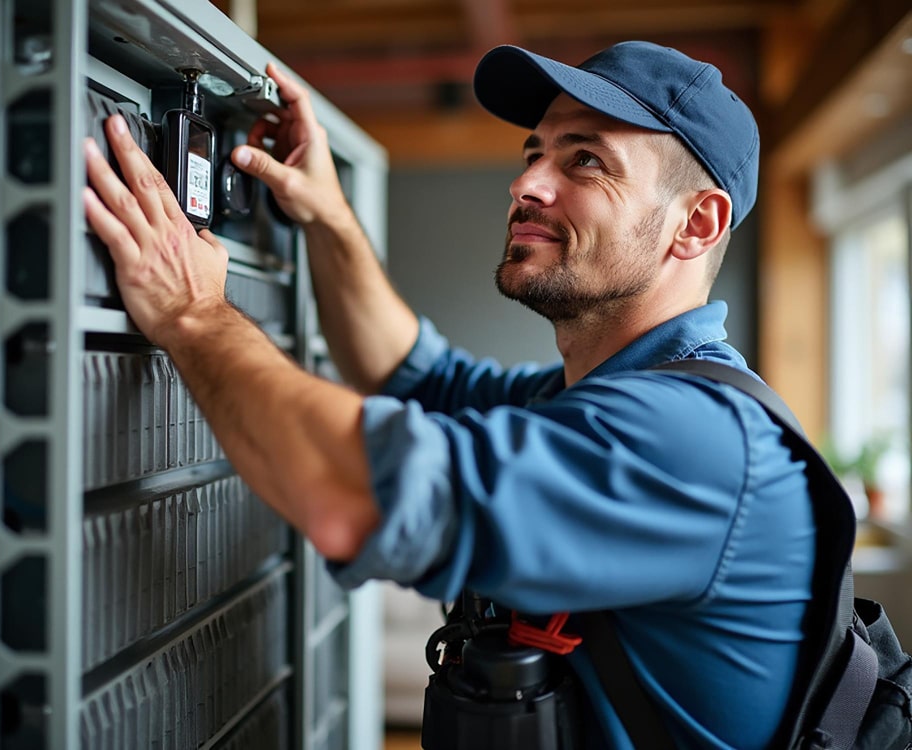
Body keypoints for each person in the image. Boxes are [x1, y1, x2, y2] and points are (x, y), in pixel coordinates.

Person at [84, 41, 815, 749]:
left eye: (585, 160)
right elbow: (416, 374)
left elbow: (356, 494)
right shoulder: (600, 399)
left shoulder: (696, 441)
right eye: (536, 152)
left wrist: (193, 315)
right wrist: (329, 216)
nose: (527, 184)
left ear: (698, 223)